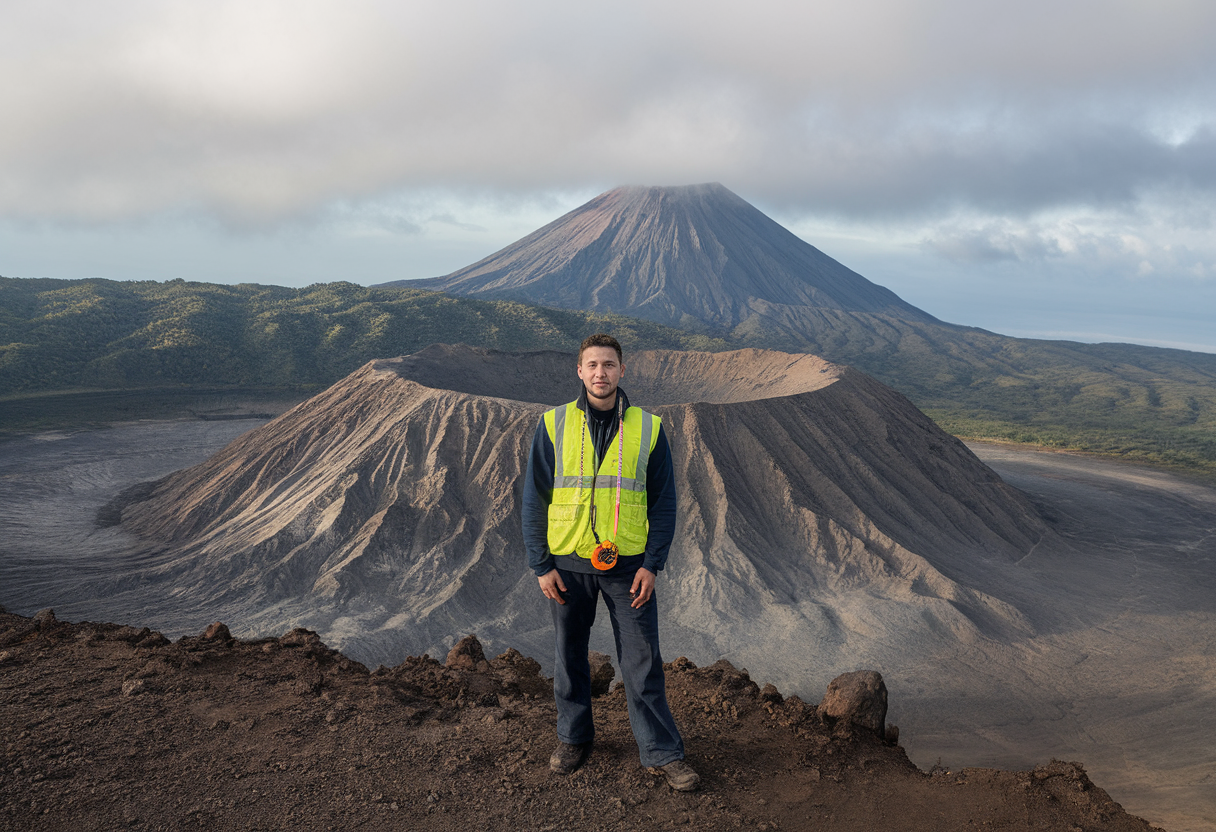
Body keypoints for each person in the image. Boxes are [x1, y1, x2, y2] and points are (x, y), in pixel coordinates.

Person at [521, 333, 699, 792]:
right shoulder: (553, 424)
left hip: (629, 568)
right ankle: (573, 738)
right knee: (568, 655)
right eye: (593, 365)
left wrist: (652, 565)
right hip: (568, 564)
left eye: (609, 365)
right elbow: (534, 499)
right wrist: (541, 565)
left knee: (642, 659)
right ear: (580, 371)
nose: (601, 373)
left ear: (623, 371)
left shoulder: (649, 428)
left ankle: (662, 752)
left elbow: (663, 503)